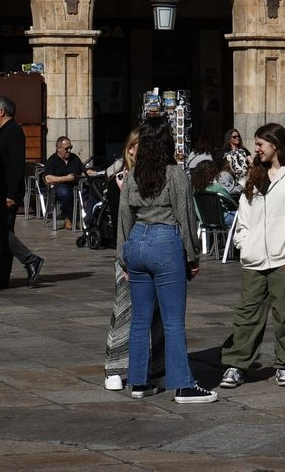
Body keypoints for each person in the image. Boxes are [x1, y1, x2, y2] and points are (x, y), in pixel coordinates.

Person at [116, 117, 217, 404]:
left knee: (140, 320)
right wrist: (193, 256)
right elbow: (186, 217)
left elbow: (124, 217)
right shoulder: (175, 174)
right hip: (165, 241)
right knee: (173, 320)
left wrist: (124, 259)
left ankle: (138, 381)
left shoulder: (132, 175)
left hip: (137, 241)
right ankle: (183, 385)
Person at [219, 123, 285, 389]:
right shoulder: (255, 174)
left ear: (275, 144)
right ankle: (236, 364)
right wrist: (243, 242)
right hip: (254, 258)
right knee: (246, 314)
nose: (256, 149)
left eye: (260, 144)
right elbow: (244, 213)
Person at [104, 129, 165, 392]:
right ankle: (115, 368)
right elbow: (120, 224)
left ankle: (157, 367)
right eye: (140, 145)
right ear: (130, 149)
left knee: (158, 312)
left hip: (157, 251)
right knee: (125, 310)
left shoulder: (160, 177)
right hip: (128, 252)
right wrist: (125, 259)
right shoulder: (119, 180)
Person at [0, 96, 44, 288]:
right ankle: (2, 275)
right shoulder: (2, 131)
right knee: (5, 231)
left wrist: (11, 194)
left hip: (7, 192)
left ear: (1, 111)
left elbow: (16, 164)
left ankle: (30, 259)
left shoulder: (13, 131)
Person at [43, 136, 95, 230]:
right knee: (65, 193)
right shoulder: (52, 160)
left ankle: (90, 219)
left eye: (70, 147)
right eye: (67, 148)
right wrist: (66, 178)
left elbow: (83, 170)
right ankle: (73, 219)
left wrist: (90, 172)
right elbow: (48, 178)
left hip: (76, 186)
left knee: (90, 191)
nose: (69, 150)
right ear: (58, 149)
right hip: (60, 186)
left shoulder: (74, 158)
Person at [190, 160, 238, 226]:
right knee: (242, 216)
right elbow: (230, 200)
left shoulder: (194, 190)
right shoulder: (216, 187)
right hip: (222, 219)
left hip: (203, 220)